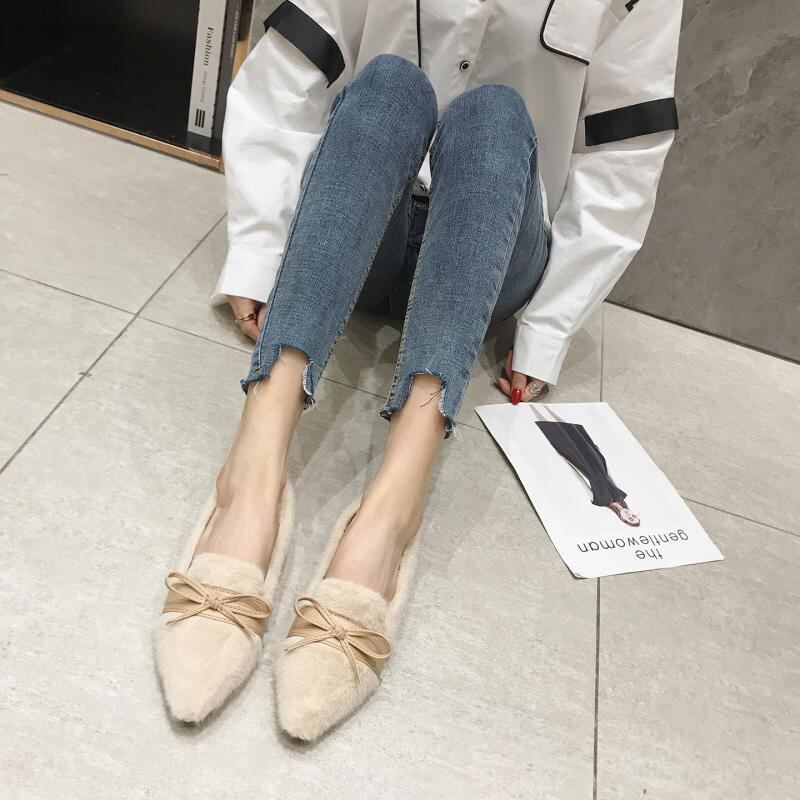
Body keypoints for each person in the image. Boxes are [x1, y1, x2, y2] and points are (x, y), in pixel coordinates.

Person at [155, 0, 682, 738]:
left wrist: (547, 327)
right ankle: (253, 474)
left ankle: (392, 508)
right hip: (364, 222)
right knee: (387, 86)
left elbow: (624, 150)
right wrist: (259, 248)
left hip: (494, 250)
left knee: (496, 115)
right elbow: (296, 63)